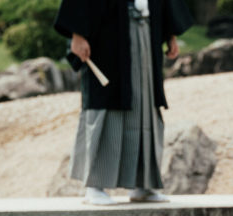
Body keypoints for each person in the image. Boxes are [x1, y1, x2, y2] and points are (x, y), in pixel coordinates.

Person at [54, 0, 192, 205]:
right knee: (107, 101)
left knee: (145, 104)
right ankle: (95, 186)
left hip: (146, 30)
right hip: (107, 33)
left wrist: (170, 33)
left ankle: (143, 185)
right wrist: (77, 34)